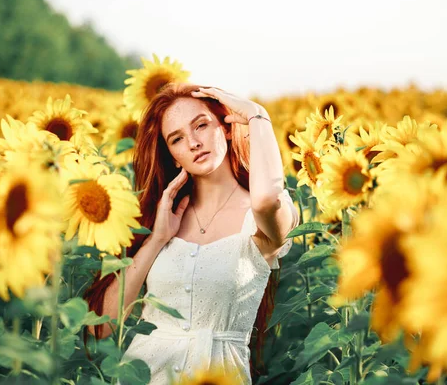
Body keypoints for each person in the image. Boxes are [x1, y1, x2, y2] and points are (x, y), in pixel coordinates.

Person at [83, 83, 300, 384]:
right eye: (177, 139)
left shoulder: (261, 218)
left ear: (226, 127)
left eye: (201, 125)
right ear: (173, 156)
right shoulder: (161, 216)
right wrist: (157, 239)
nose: (194, 142)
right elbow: (100, 328)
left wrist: (256, 116)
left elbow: (266, 200)